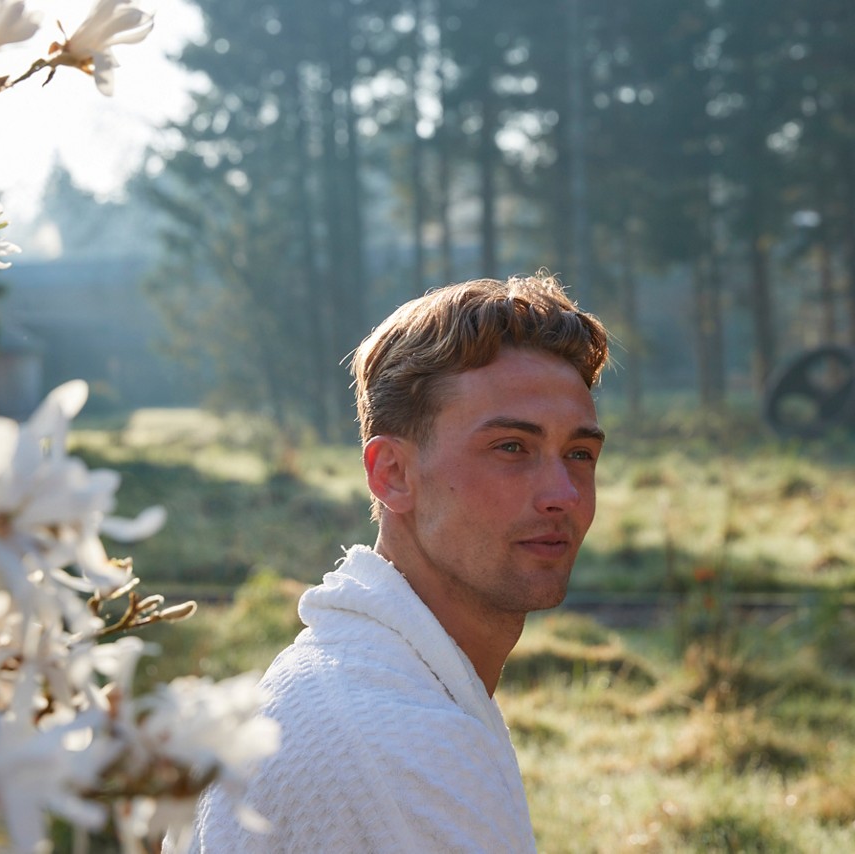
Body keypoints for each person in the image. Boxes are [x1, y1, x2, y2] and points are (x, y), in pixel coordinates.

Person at [189, 273, 609, 852]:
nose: (562, 492)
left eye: (579, 453)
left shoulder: (370, 677)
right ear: (392, 474)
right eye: (512, 447)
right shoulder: (396, 750)